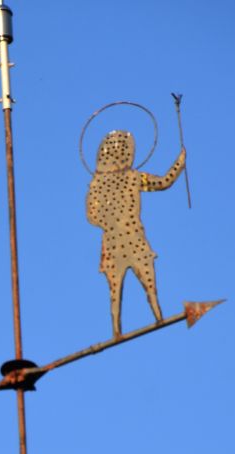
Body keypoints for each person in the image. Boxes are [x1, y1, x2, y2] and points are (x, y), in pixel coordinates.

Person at [86, 130, 185, 337]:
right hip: (133, 238)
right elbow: (164, 182)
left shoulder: (96, 184)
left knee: (115, 292)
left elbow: (92, 216)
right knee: (148, 284)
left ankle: (117, 330)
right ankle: (157, 316)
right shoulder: (133, 177)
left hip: (112, 241)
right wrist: (179, 163)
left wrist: (109, 221)